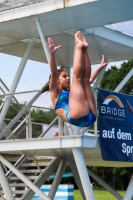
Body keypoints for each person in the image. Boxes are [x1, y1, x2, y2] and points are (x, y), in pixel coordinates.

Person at [45, 31, 109, 127]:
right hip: (80, 116)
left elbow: (89, 79)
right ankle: (79, 47)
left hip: (89, 117)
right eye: (64, 76)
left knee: (85, 81)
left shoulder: (72, 91)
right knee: (78, 79)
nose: (68, 78)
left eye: (67, 76)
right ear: (57, 80)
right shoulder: (54, 92)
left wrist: (100, 67)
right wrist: (52, 54)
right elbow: (54, 73)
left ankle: (84, 49)